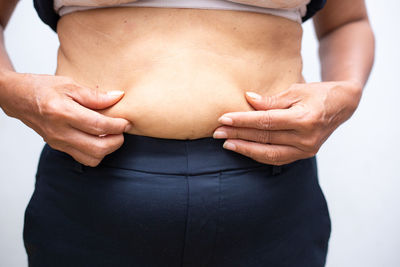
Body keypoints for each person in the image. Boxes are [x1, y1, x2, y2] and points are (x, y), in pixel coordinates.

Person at [0, 0, 374, 266]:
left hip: (272, 192)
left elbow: (348, 21)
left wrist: (347, 91)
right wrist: (9, 89)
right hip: (90, 188)